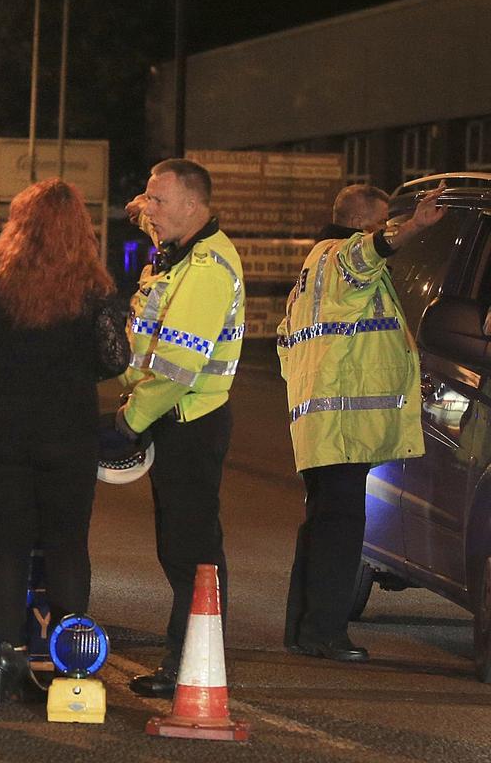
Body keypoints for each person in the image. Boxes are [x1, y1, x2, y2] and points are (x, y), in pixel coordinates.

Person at [0, 178, 130, 704]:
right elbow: (115, 359)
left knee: (9, 545)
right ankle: (72, 664)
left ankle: (6, 660)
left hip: (1, 433)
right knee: (68, 545)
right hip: (68, 434)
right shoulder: (94, 288)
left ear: (18, 224)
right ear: (81, 232)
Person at [278, 182, 446, 662]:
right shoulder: (339, 257)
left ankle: (304, 628)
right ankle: (325, 634)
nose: (385, 232)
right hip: (343, 426)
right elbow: (366, 255)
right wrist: (413, 226)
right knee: (340, 531)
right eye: (380, 224)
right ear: (359, 225)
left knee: (321, 526)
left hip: (320, 421)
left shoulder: (312, 270)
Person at [117, 158, 245, 699]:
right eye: (146, 197)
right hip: (173, 416)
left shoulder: (207, 267)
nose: (147, 208)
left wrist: (128, 420)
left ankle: (190, 661)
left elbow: (176, 365)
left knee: (190, 548)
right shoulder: (176, 258)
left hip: (189, 420)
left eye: (159, 200)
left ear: (195, 206)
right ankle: (190, 656)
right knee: (180, 545)